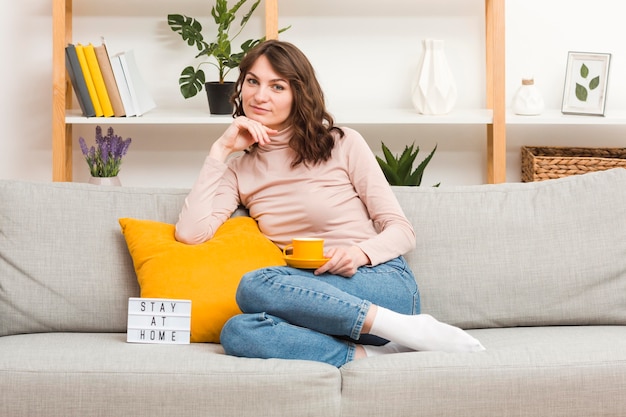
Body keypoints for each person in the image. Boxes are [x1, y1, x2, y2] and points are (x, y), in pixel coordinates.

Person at [175, 40, 484, 367]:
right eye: (252, 81)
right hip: (312, 300)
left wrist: (357, 253)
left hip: (379, 282)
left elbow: (402, 231)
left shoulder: (341, 142)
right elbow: (191, 233)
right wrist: (220, 151)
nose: (259, 96)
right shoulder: (239, 170)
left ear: (299, 94)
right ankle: (380, 351)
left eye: (277, 86)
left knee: (255, 285)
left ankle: (404, 326)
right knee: (238, 332)